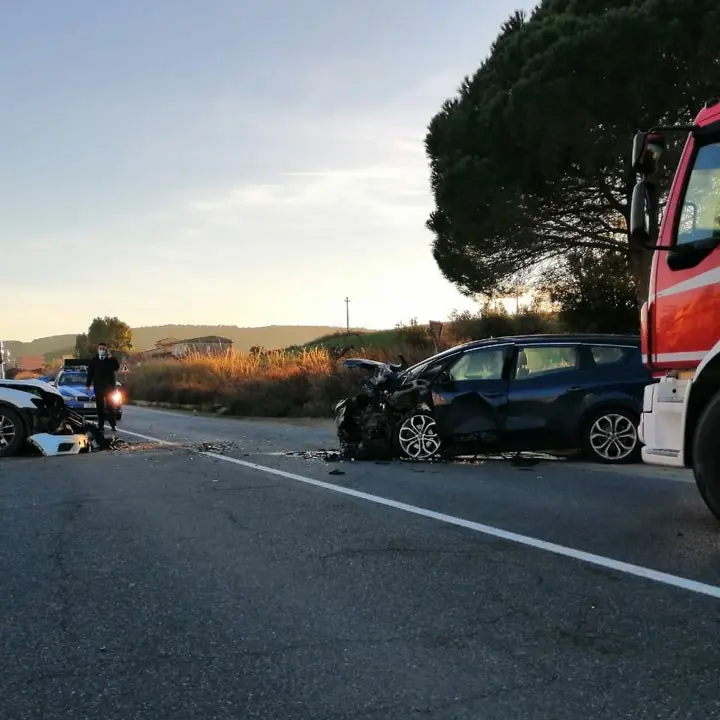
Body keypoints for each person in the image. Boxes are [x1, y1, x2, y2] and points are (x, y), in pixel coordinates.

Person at [85, 342, 120, 433]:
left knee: (110, 407)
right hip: (98, 388)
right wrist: (87, 385)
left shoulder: (110, 360)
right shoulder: (94, 361)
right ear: (97, 349)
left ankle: (113, 425)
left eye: (103, 349)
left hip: (109, 388)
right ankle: (101, 426)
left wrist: (111, 358)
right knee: (99, 407)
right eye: (100, 348)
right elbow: (90, 374)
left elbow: (116, 367)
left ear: (106, 350)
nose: (102, 350)